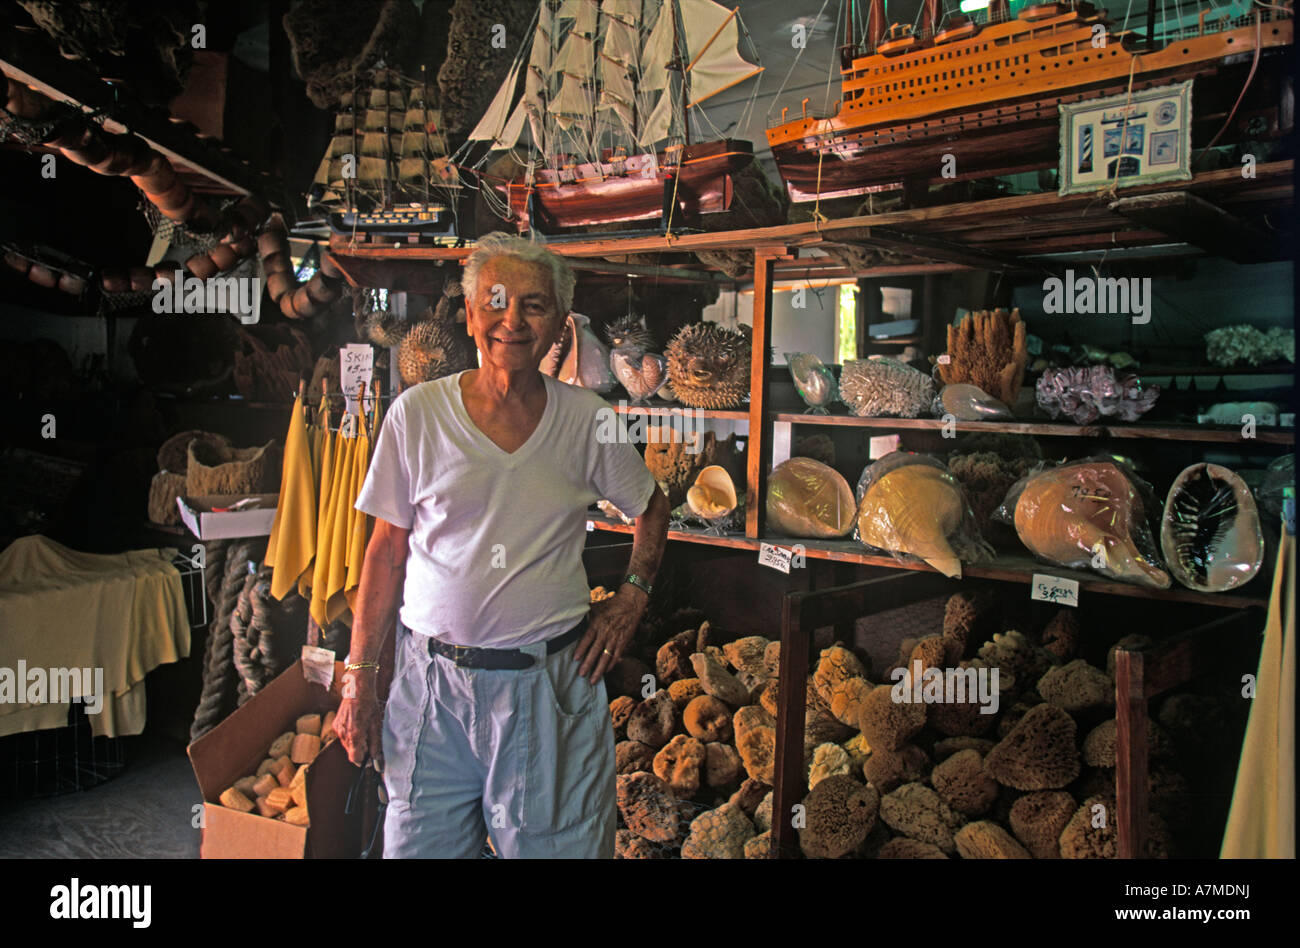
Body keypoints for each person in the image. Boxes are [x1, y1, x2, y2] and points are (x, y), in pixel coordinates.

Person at [336, 232, 669, 858]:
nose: (512, 320)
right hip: (430, 689)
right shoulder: (417, 415)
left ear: (560, 324)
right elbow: (383, 553)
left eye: (534, 305)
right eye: (495, 300)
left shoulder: (587, 417)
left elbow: (651, 507)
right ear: (470, 314)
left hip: (547, 688)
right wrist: (359, 680)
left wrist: (631, 598)